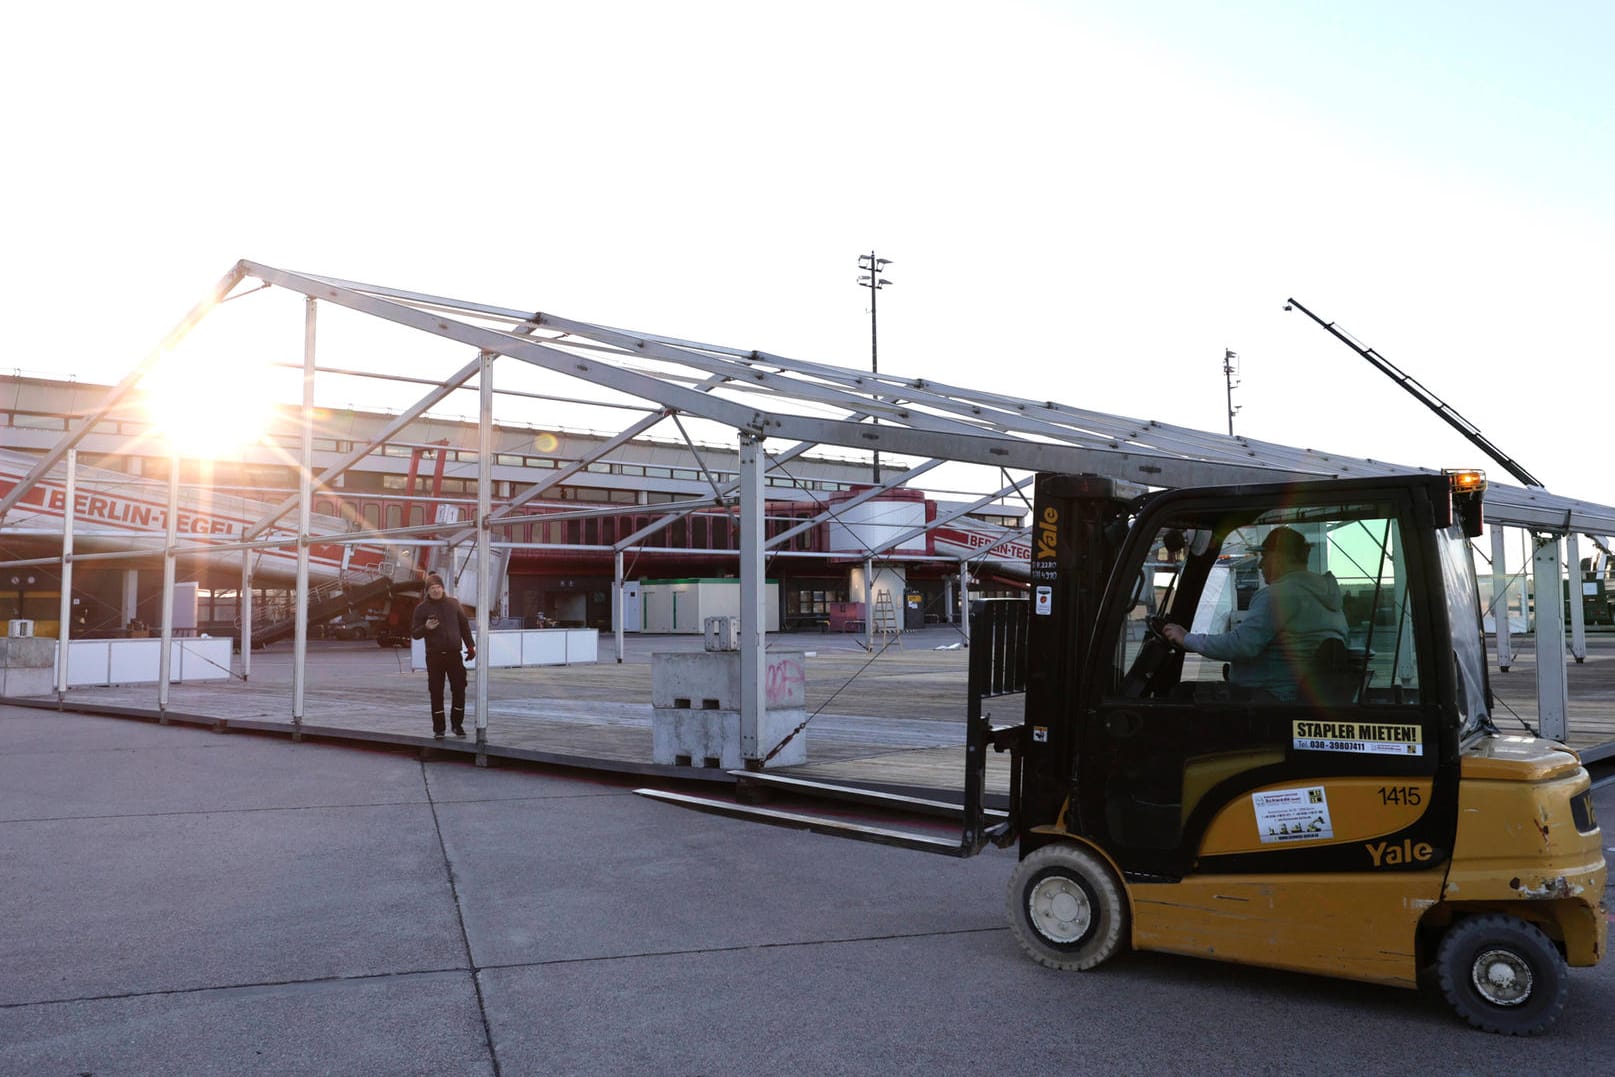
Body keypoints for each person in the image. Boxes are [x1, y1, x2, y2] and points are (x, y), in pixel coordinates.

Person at [1161, 526, 1348, 700]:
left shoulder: (1277, 596)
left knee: (1181, 694)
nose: (1260, 565)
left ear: (1278, 557)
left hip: (1269, 698)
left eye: (1264, 557)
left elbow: (1241, 645)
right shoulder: (1328, 598)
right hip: (1296, 697)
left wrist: (1186, 638)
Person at [411, 572, 477, 738]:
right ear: (427, 591)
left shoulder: (454, 604)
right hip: (434, 656)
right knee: (436, 691)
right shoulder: (421, 608)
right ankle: (439, 728)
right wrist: (426, 627)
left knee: (459, 689)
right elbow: (415, 634)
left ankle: (457, 725)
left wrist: (470, 646)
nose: (436, 590)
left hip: (454, 654)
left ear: (443, 588)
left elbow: (464, 627)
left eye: (438, 587)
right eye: (432, 588)